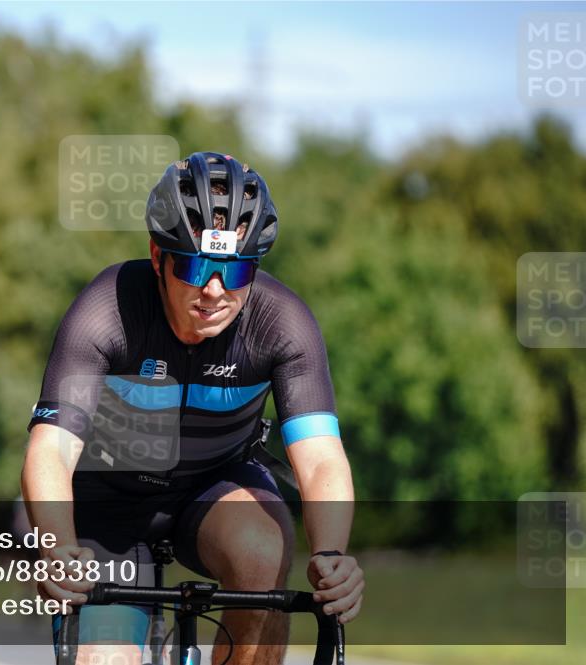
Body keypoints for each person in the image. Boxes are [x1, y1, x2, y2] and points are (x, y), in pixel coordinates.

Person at [22, 152, 364, 665]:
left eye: (237, 269)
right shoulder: (106, 308)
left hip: (216, 487)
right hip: (108, 502)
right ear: (158, 257)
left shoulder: (283, 323)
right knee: (106, 660)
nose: (214, 290)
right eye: (196, 265)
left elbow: (319, 459)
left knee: (262, 548)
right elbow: (50, 451)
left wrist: (332, 557)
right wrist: (58, 550)